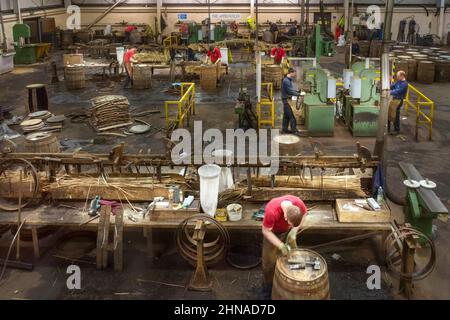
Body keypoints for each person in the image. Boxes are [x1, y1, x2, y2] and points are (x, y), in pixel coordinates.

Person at [261, 195, 307, 299]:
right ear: (285, 217)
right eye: (291, 224)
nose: (291, 225)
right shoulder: (271, 211)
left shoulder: (298, 202)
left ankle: (291, 286)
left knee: (293, 256)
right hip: (273, 232)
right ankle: (267, 292)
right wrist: (281, 245)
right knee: (268, 264)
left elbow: (305, 213)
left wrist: (294, 230)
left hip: (288, 231)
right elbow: (265, 231)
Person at [281, 67, 301, 135]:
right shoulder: (286, 81)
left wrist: (296, 91)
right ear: (291, 73)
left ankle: (284, 129)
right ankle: (294, 131)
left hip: (286, 100)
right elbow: (289, 91)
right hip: (286, 101)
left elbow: (290, 90)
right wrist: (299, 94)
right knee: (292, 117)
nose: (295, 74)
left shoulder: (288, 80)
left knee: (286, 116)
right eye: (295, 73)